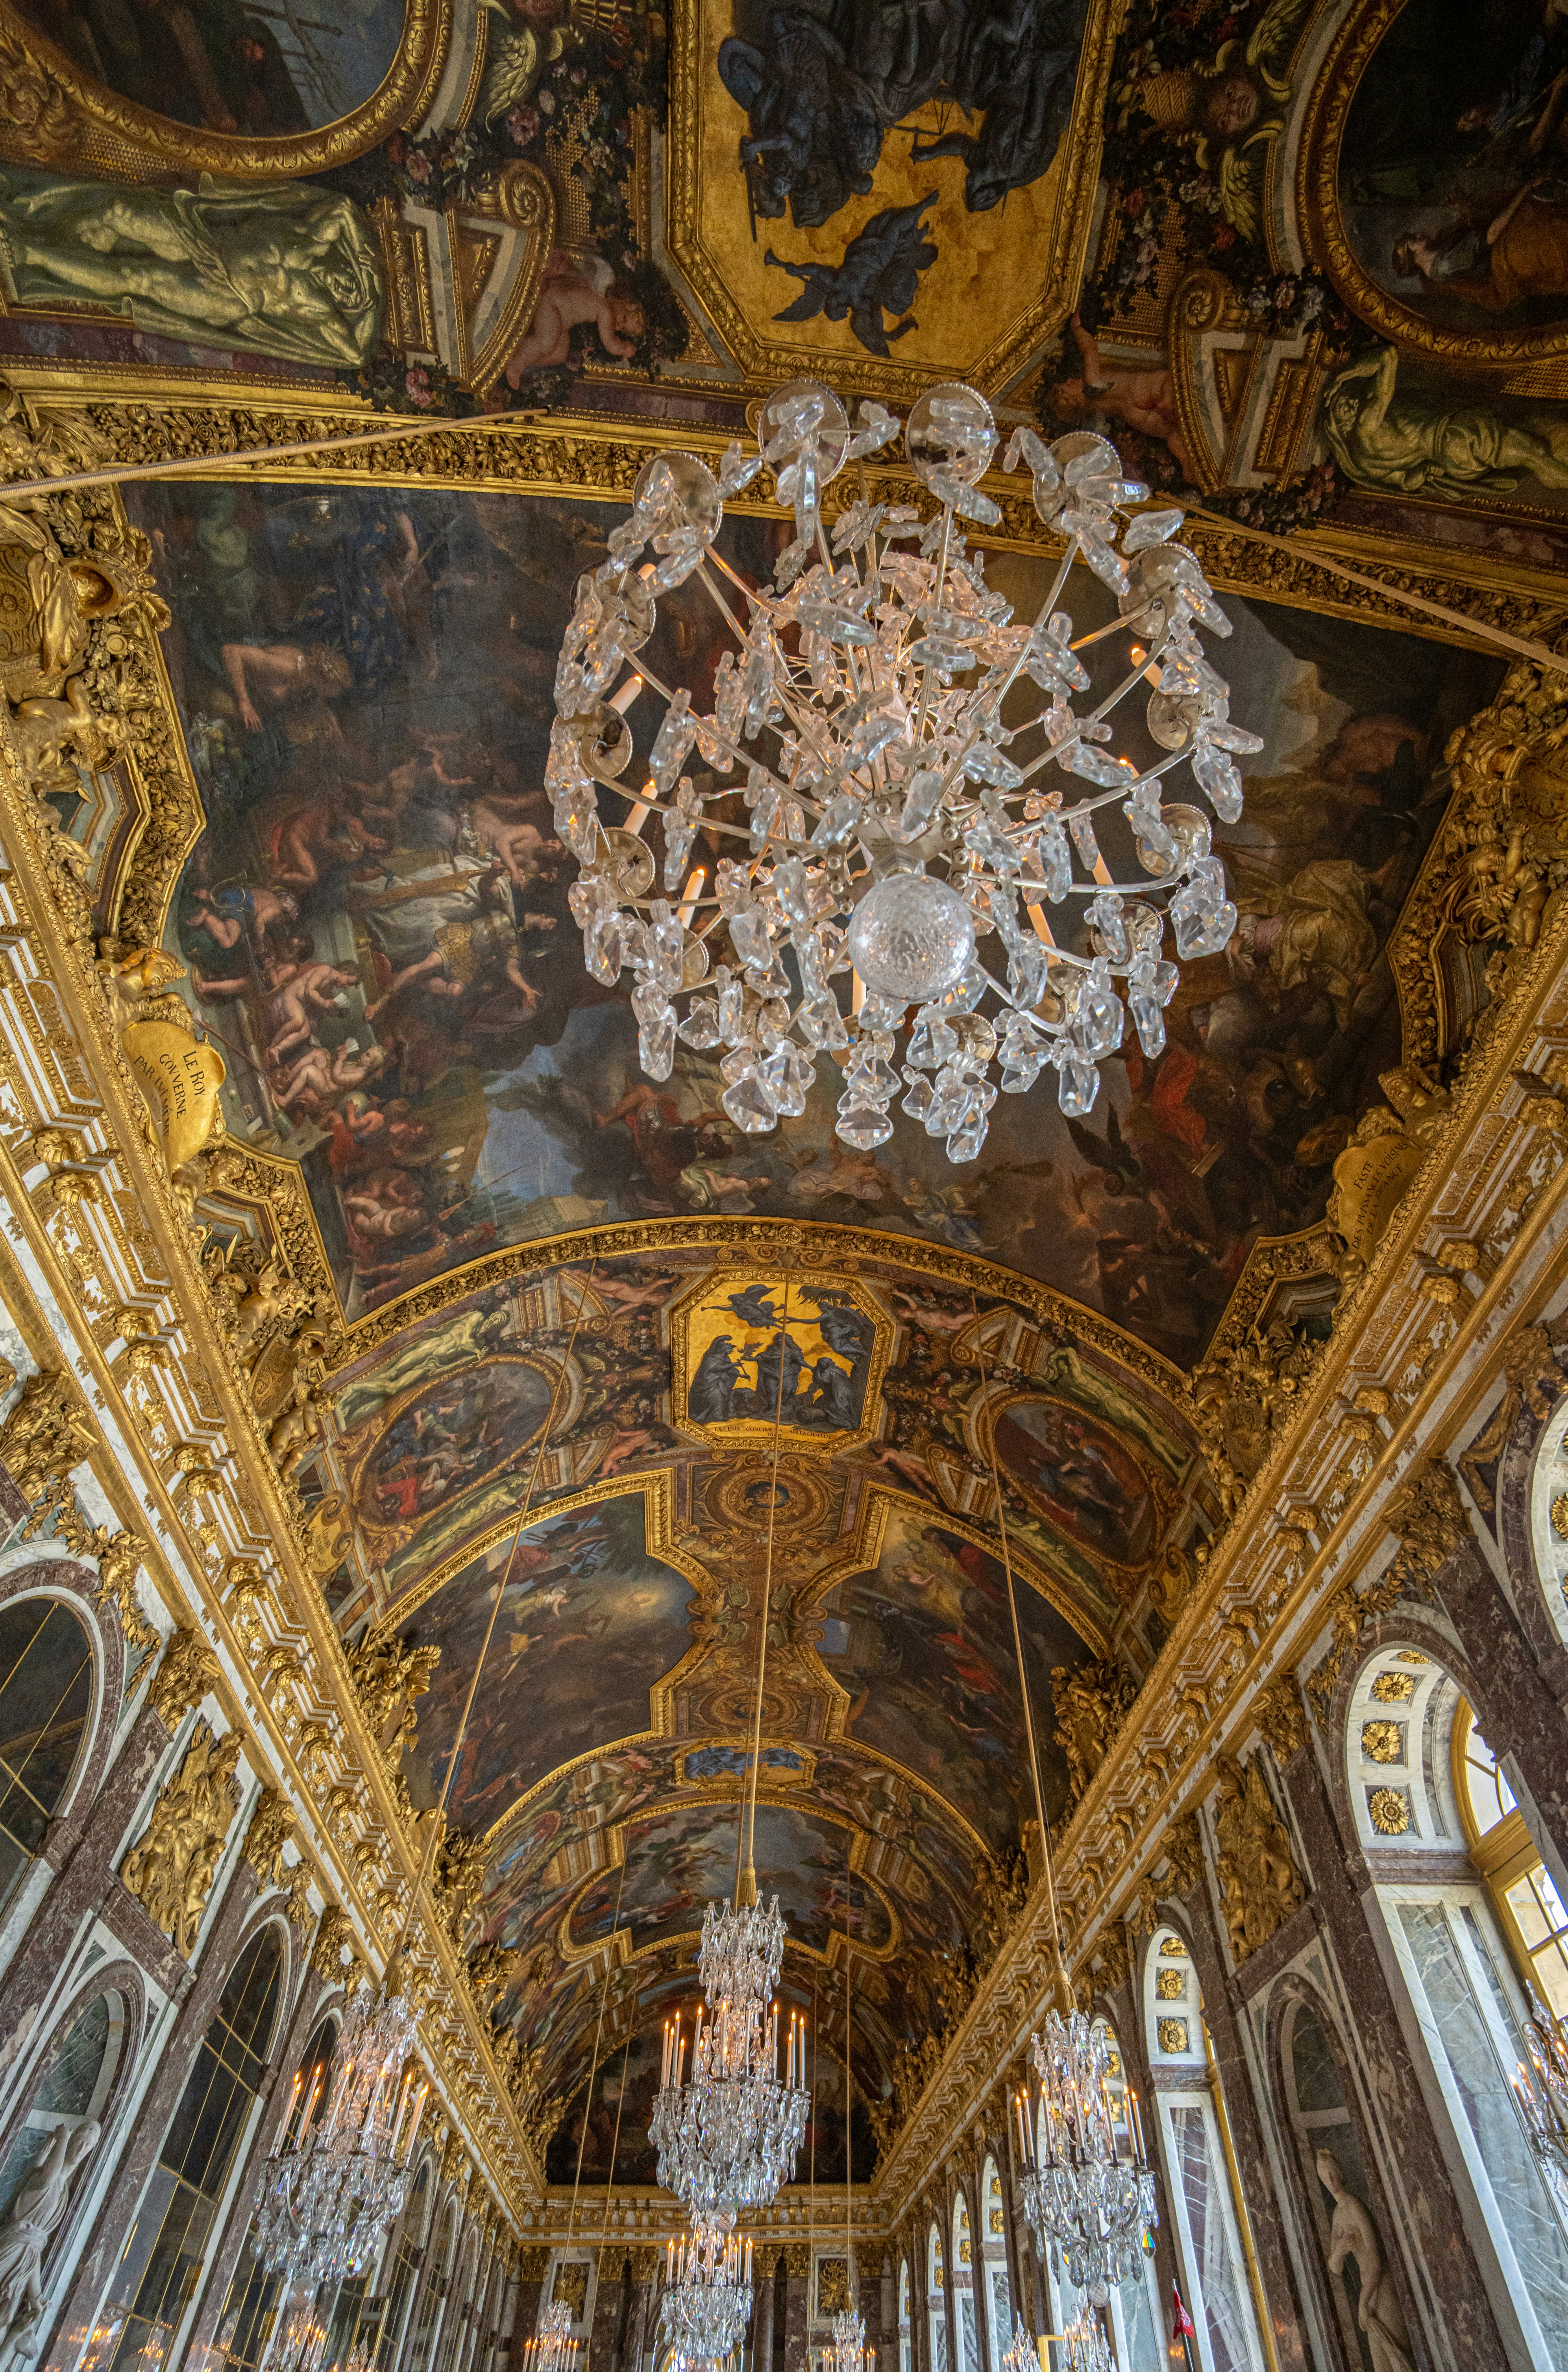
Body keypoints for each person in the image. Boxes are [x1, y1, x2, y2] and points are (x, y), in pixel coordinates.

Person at [1323, 339, 1568, 497]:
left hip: (1457, 464)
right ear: (1342, 427)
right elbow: (1389, 355)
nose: (1353, 401)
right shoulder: (1365, 426)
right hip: (1459, 434)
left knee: (1540, 442)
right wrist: (1349, 373)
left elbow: (1408, 482)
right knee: (1537, 454)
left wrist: (1428, 469)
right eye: (1344, 406)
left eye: (1349, 398)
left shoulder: (1364, 464)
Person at [1315, 2150, 1415, 2372]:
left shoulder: (1354, 2205)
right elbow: (1334, 2267)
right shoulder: (1338, 2216)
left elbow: (1376, 2257)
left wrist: (1363, 2303)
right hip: (1367, 2294)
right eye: (1324, 2177)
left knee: (1399, 2359)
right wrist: (1339, 2250)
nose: (1330, 2181)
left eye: (1332, 2173)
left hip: (1381, 2288)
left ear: (1340, 2173)